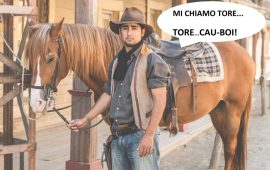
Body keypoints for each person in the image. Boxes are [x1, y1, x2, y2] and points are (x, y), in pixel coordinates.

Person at [69, 7, 170, 170]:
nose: (129, 33)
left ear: (142, 32)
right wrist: (86, 119)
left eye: (134, 28)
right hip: (117, 136)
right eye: (125, 28)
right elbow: (108, 94)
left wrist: (149, 135)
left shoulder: (153, 61)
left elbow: (160, 100)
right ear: (120, 32)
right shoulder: (116, 61)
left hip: (140, 135)